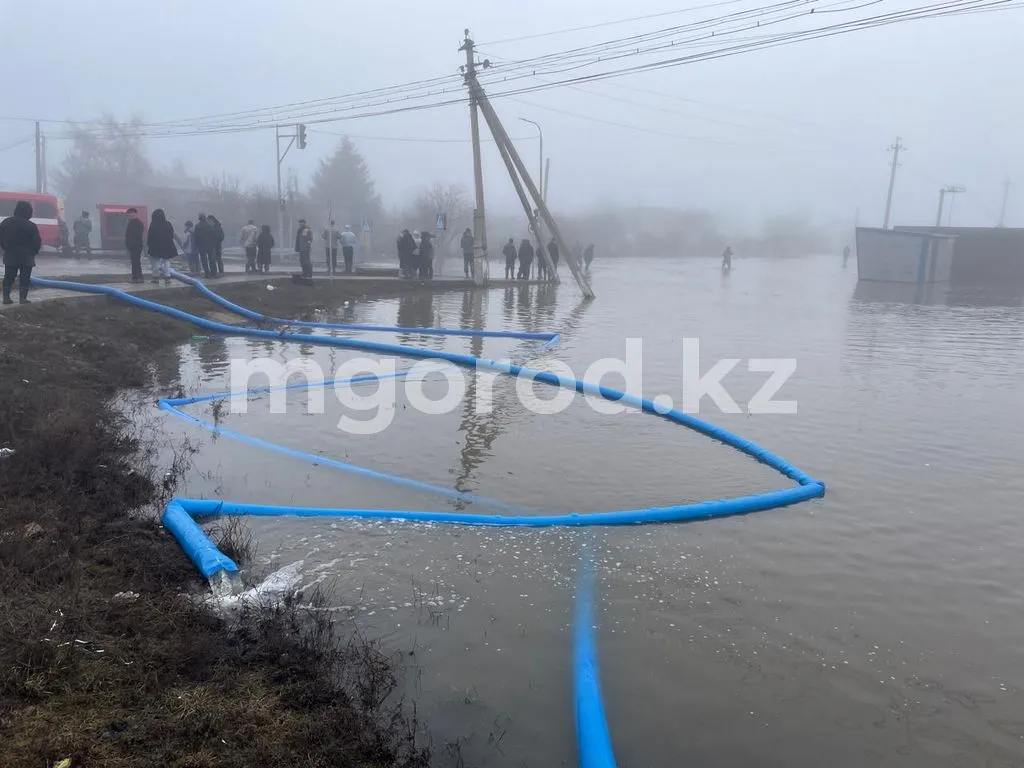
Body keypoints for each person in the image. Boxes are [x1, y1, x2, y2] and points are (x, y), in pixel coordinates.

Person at [0, 200, 41, 305]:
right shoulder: (31, 226)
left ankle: (6, 298)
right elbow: (37, 242)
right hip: (26, 257)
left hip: (10, 255)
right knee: (24, 279)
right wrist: (33, 253)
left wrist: (5, 248)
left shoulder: (6, 222)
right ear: (28, 211)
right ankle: (22, 299)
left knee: (8, 278)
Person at [146, 209, 176, 285]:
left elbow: (150, 236)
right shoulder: (168, 224)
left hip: (155, 247)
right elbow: (171, 235)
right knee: (166, 262)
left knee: (155, 262)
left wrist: (148, 245)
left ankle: (156, 278)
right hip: (167, 246)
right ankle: (167, 277)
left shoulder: (153, 224)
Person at [125, 207, 145, 283]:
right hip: (131, 246)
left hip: (136, 246)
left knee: (136, 261)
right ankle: (136, 276)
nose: (129, 215)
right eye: (129, 214)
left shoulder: (138, 223)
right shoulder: (130, 223)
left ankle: (138, 277)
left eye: (131, 214)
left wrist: (132, 243)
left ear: (135, 214)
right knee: (134, 261)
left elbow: (137, 235)